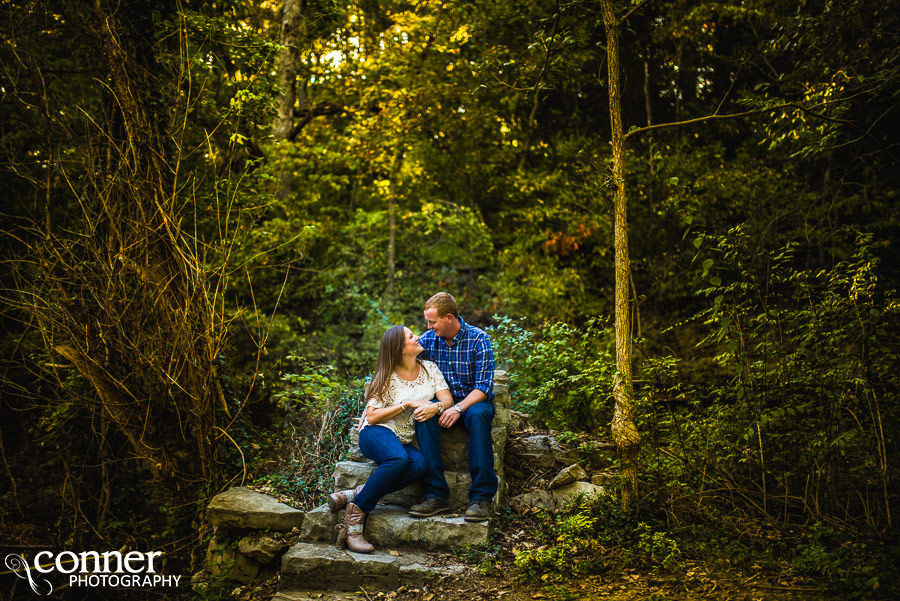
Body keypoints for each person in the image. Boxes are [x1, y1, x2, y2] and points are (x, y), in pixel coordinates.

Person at [329, 325, 453, 553]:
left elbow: (447, 400)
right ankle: (354, 521)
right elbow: (374, 416)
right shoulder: (387, 374)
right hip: (376, 433)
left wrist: (435, 407)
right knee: (397, 459)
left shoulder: (429, 368)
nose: (417, 337)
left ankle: (355, 493)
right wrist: (406, 404)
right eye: (410, 336)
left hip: (404, 439)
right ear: (399, 348)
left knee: (420, 465)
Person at [410, 292, 498, 523]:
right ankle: (435, 494)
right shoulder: (429, 340)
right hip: (442, 403)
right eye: (427, 322)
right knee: (423, 415)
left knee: (480, 416)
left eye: (432, 322)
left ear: (449, 317)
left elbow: (483, 387)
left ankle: (481, 498)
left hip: (473, 403)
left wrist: (458, 409)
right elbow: (400, 361)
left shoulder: (479, 339)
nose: (428, 327)